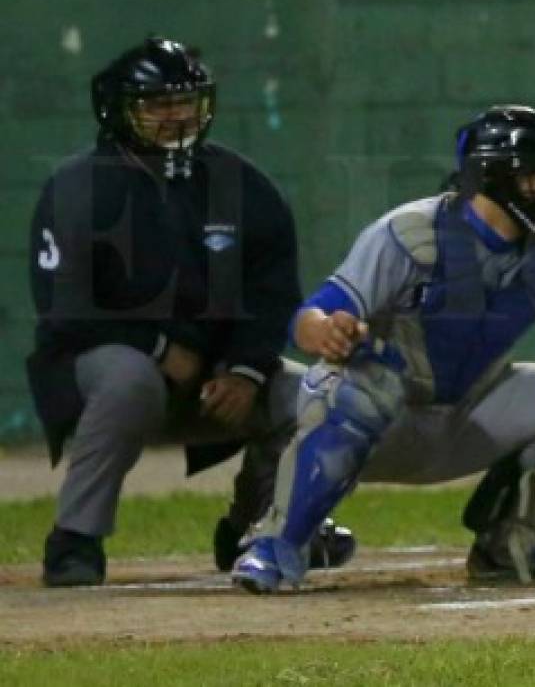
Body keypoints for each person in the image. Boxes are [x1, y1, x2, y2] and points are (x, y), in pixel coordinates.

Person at [232, 104, 535, 593]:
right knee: (366, 382)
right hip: (378, 421)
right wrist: (323, 331)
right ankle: (279, 543)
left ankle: (511, 547)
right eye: (534, 177)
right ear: (491, 178)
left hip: (464, 416)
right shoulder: (411, 233)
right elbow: (311, 316)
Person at [27, 37, 354, 587]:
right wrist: (158, 348)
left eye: (187, 101)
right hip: (101, 372)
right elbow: (65, 309)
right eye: (157, 103)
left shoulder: (239, 183)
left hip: (214, 376)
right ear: (118, 109)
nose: (177, 115)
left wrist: (246, 368)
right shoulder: (78, 186)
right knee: (130, 379)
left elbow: (273, 292)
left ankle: (260, 526)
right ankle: (75, 539)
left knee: (316, 395)